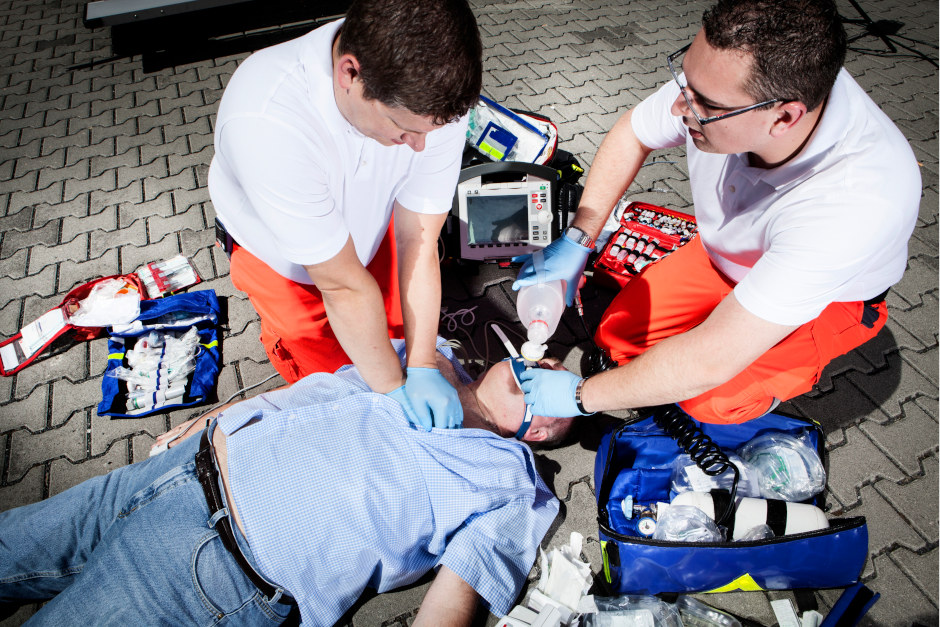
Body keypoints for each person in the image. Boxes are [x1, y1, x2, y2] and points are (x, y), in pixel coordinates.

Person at [513, 0, 920, 424]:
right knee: (616, 333)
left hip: (831, 300)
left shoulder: (854, 203)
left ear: (784, 117)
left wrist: (581, 396)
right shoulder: (731, 84)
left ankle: (768, 393)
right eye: (684, 79)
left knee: (713, 400)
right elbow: (633, 132)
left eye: (704, 103)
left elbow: (710, 362)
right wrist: (580, 238)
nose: (678, 107)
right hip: (729, 255)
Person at [0, 339, 575, 626]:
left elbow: (460, 592)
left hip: (213, 567)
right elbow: (314, 392)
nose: (544, 368)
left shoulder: (510, 485)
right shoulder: (432, 355)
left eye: (559, 390)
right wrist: (208, 421)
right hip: (171, 475)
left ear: (543, 433)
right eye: (549, 362)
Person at [208, 0, 483, 431]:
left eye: (430, 132)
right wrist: (393, 393)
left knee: (396, 343)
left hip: (373, 231)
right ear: (349, 74)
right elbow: (340, 284)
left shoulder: (433, 98)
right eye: (403, 128)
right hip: (290, 264)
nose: (419, 147)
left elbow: (420, 238)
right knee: (331, 379)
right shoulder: (266, 120)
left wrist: (425, 363)